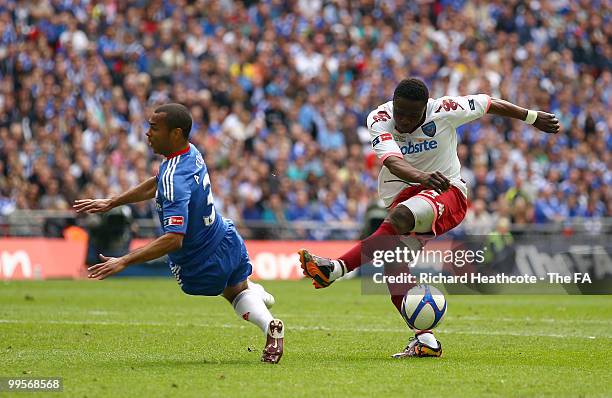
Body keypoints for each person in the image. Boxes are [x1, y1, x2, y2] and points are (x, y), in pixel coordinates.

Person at [298, 78, 559, 358]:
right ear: (393, 105)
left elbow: (489, 103)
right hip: (409, 195)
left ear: (426, 107)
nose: (405, 120)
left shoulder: (445, 109)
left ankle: (335, 269)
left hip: (448, 193)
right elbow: (392, 162)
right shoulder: (379, 118)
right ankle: (427, 341)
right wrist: (423, 177)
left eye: (413, 115)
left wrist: (531, 117)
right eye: (401, 112)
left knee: (400, 217)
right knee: (394, 271)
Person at [74, 103, 284, 364]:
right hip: (226, 236)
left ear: (175, 133)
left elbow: (174, 238)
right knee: (240, 287)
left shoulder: (174, 178)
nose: (147, 133)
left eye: (154, 128)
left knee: (235, 295)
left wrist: (124, 260)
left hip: (200, 259)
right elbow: (158, 182)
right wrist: (113, 202)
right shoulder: (190, 153)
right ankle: (259, 296)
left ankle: (268, 323)